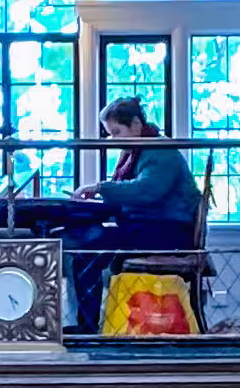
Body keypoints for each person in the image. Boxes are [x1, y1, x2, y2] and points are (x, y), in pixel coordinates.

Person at [70, 96, 204, 329]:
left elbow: (147, 191)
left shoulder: (161, 151)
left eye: (117, 132)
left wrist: (100, 188)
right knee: (90, 241)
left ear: (135, 125)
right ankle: (90, 325)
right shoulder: (140, 152)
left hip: (169, 233)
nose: (112, 139)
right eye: (109, 133)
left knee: (89, 247)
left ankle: (87, 328)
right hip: (155, 227)